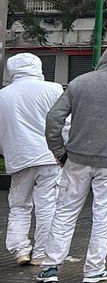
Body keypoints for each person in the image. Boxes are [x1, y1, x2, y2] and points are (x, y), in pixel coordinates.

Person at [38, 45, 107, 283]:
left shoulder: (79, 82)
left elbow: (53, 119)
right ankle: (94, 270)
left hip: (76, 160)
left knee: (65, 212)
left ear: (102, 61)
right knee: (104, 215)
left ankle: (50, 268)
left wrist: (59, 152)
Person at [0, 54, 63, 267]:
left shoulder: (3, 95)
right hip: (50, 157)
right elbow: (65, 124)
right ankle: (41, 254)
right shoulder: (54, 89)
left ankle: (20, 249)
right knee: (47, 206)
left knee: (19, 205)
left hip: (18, 158)